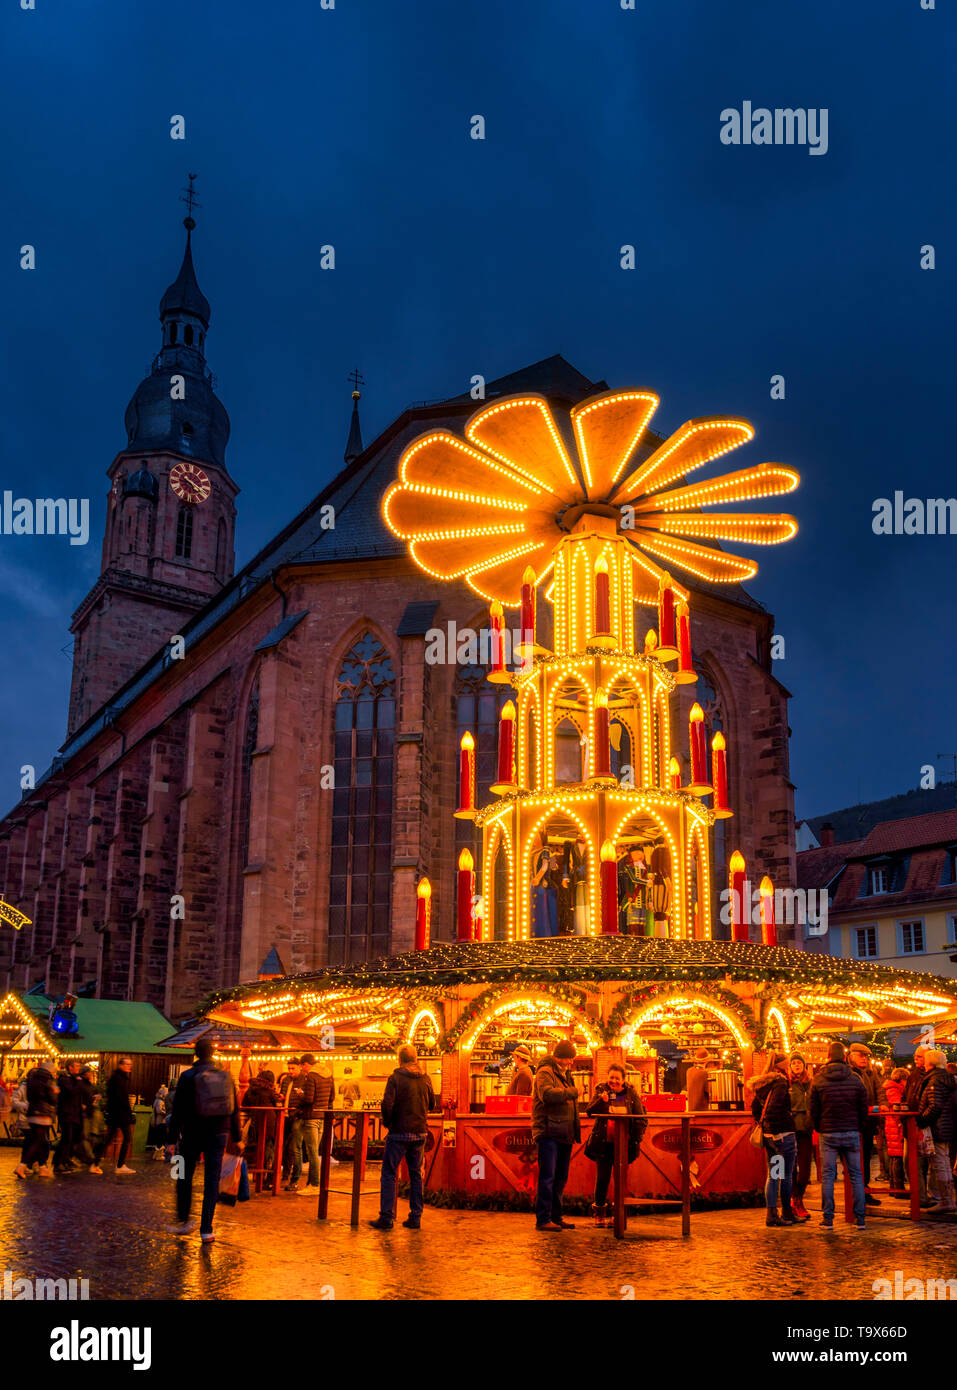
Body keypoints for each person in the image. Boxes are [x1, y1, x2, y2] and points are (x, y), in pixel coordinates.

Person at [166, 1039, 242, 1241]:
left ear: (196, 1053)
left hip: (192, 1132)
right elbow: (234, 1109)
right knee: (212, 1179)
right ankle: (206, 1229)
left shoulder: (187, 1076)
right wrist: (238, 1137)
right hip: (219, 1133)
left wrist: (171, 1140)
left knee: (183, 1174)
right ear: (213, 1053)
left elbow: (178, 1110)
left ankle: (184, 1220)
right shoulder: (226, 1076)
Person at [369, 1043, 436, 1231]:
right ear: (415, 1059)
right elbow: (432, 1103)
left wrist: (388, 1123)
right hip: (420, 1132)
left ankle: (386, 1217)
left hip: (398, 1132)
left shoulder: (395, 1077)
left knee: (389, 1174)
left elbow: (387, 1104)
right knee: (416, 1175)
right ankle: (415, 1217)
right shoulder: (425, 1078)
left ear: (400, 1059)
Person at [809, 1041, 868, 1230]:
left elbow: (813, 1109)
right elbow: (863, 1107)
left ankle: (828, 1219)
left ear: (827, 1057)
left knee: (828, 1176)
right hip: (851, 1131)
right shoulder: (855, 1079)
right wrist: (858, 1126)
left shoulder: (818, 1080)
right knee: (856, 1175)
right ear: (844, 1057)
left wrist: (819, 1127)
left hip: (828, 1132)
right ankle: (860, 1218)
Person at [585, 1062, 647, 1227]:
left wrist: (635, 1139)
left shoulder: (631, 1094)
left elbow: (641, 1118)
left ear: (623, 1080)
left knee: (620, 1181)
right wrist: (602, 1101)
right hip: (603, 1143)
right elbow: (590, 1111)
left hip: (624, 1145)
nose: (614, 1081)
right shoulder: (601, 1091)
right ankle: (599, 1214)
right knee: (602, 1179)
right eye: (611, 1077)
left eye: (617, 1078)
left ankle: (618, 1214)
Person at [531, 1038, 580, 1232]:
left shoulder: (565, 1074)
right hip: (548, 1131)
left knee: (560, 1177)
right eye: (568, 1059)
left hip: (563, 1131)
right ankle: (543, 1219)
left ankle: (556, 1216)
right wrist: (571, 1093)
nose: (571, 1063)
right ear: (559, 1057)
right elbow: (547, 1095)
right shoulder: (545, 1072)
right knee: (548, 1177)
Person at [748, 1052, 797, 1227]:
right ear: (782, 1064)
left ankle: (772, 1214)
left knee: (774, 1174)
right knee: (786, 1175)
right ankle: (787, 1212)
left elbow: (755, 1107)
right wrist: (784, 1121)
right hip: (782, 1134)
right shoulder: (780, 1082)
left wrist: (765, 1125)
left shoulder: (763, 1083)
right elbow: (776, 1107)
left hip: (769, 1136)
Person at [915, 1048, 957, 1215]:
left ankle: (946, 1200)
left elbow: (935, 1105)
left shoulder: (935, 1080)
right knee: (944, 1162)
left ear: (930, 1063)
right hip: (948, 1126)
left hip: (938, 1127)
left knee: (940, 1163)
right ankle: (947, 1198)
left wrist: (921, 1119)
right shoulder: (947, 1078)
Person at [287, 1054, 335, 1194]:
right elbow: (332, 1096)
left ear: (307, 1064)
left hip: (311, 1117)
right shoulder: (328, 1075)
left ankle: (314, 1184)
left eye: (303, 1066)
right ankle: (311, 1183)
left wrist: (300, 1094)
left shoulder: (312, 1076)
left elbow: (309, 1099)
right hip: (322, 1116)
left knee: (312, 1152)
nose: (303, 1069)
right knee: (314, 1151)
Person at [847, 1043, 884, 1205]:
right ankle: (856, 1194)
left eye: (866, 1056)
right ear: (851, 1056)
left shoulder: (871, 1072)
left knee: (866, 1157)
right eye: (860, 1055)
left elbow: (880, 1091)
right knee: (854, 1159)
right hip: (854, 1123)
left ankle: (864, 1190)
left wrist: (883, 1106)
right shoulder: (848, 1073)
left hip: (868, 1123)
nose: (864, 1058)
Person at [13, 1061, 58, 1179]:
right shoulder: (48, 1081)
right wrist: (55, 1092)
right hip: (42, 1114)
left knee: (41, 1141)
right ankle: (22, 1166)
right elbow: (52, 1099)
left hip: (32, 1113)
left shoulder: (31, 1082)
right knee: (37, 1141)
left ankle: (42, 1167)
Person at [91, 1057, 136, 1174]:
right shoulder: (119, 1079)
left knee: (109, 1139)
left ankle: (95, 1163)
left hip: (115, 1113)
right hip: (120, 1114)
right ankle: (120, 1165)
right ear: (120, 1065)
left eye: (130, 1064)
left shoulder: (118, 1078)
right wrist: (128, 1113)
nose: (128, 1067)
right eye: (126, 1064)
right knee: (126, 1138)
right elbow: (121, 1098)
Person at [788, 1054, 813, 1222]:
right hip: (790, 1129)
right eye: (794, 1063)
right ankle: (794, 1201)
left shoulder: (811, 1083)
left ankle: (798, 1197)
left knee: (804, 1170)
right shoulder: (787, 1083)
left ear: (804, 1065)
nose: (797, 1065)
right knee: (791, 1167)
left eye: (799, 1063)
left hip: (806, 1129)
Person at [242, 1068, 281, 1172]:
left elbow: (244, 1105)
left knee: (258, 1145)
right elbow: (278, 1106)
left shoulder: (250, 1089)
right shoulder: (269, 1090)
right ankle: (267, 1170)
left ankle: (258, 1168)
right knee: (269, 1145)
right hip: (269, 1123)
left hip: (255, 1122)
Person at [53, 1059, 84, 1173]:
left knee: (71, 1139)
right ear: (70, 1067)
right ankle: (58, 1163)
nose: (78, 1069)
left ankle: (64, 1161)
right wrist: (79, 1081)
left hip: (74, 1113)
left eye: (79, 1066)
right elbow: (72, 1092)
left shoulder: (72, 1079)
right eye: (76, 1066)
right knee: (66, 1139)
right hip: (66, 1113)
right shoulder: (64, 1080)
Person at [882, 1067, 908, 1197]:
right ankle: (898, 1188)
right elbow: (896, 1107)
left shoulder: (890, 1088)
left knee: (894, 1156)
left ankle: (894, 1187)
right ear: (902, 1080)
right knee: (896, 1156)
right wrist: (900, 1122)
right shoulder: (894, 1090)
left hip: (891, 1124)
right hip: (895, 1126)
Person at [278, 1057, 302, 1188]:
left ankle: (292, 1176)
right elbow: (283, 1093)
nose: (290, 1071)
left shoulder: (304, 1080)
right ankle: (284, 1174)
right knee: (282, 1145)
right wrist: (281, 1096)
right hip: (285, 1115)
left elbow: (303, 1096)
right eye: (289, 1068)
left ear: (299, 1067)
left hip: (295, 1116)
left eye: (293, 1068)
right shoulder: (286, 1080)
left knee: (292, 1148)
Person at [685, 1048, 711, 1113]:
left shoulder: (689, 1071)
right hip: (702, 1110)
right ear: (706, 1061)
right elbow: (709, 1091)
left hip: (691, 1109)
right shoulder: (705, 1073)